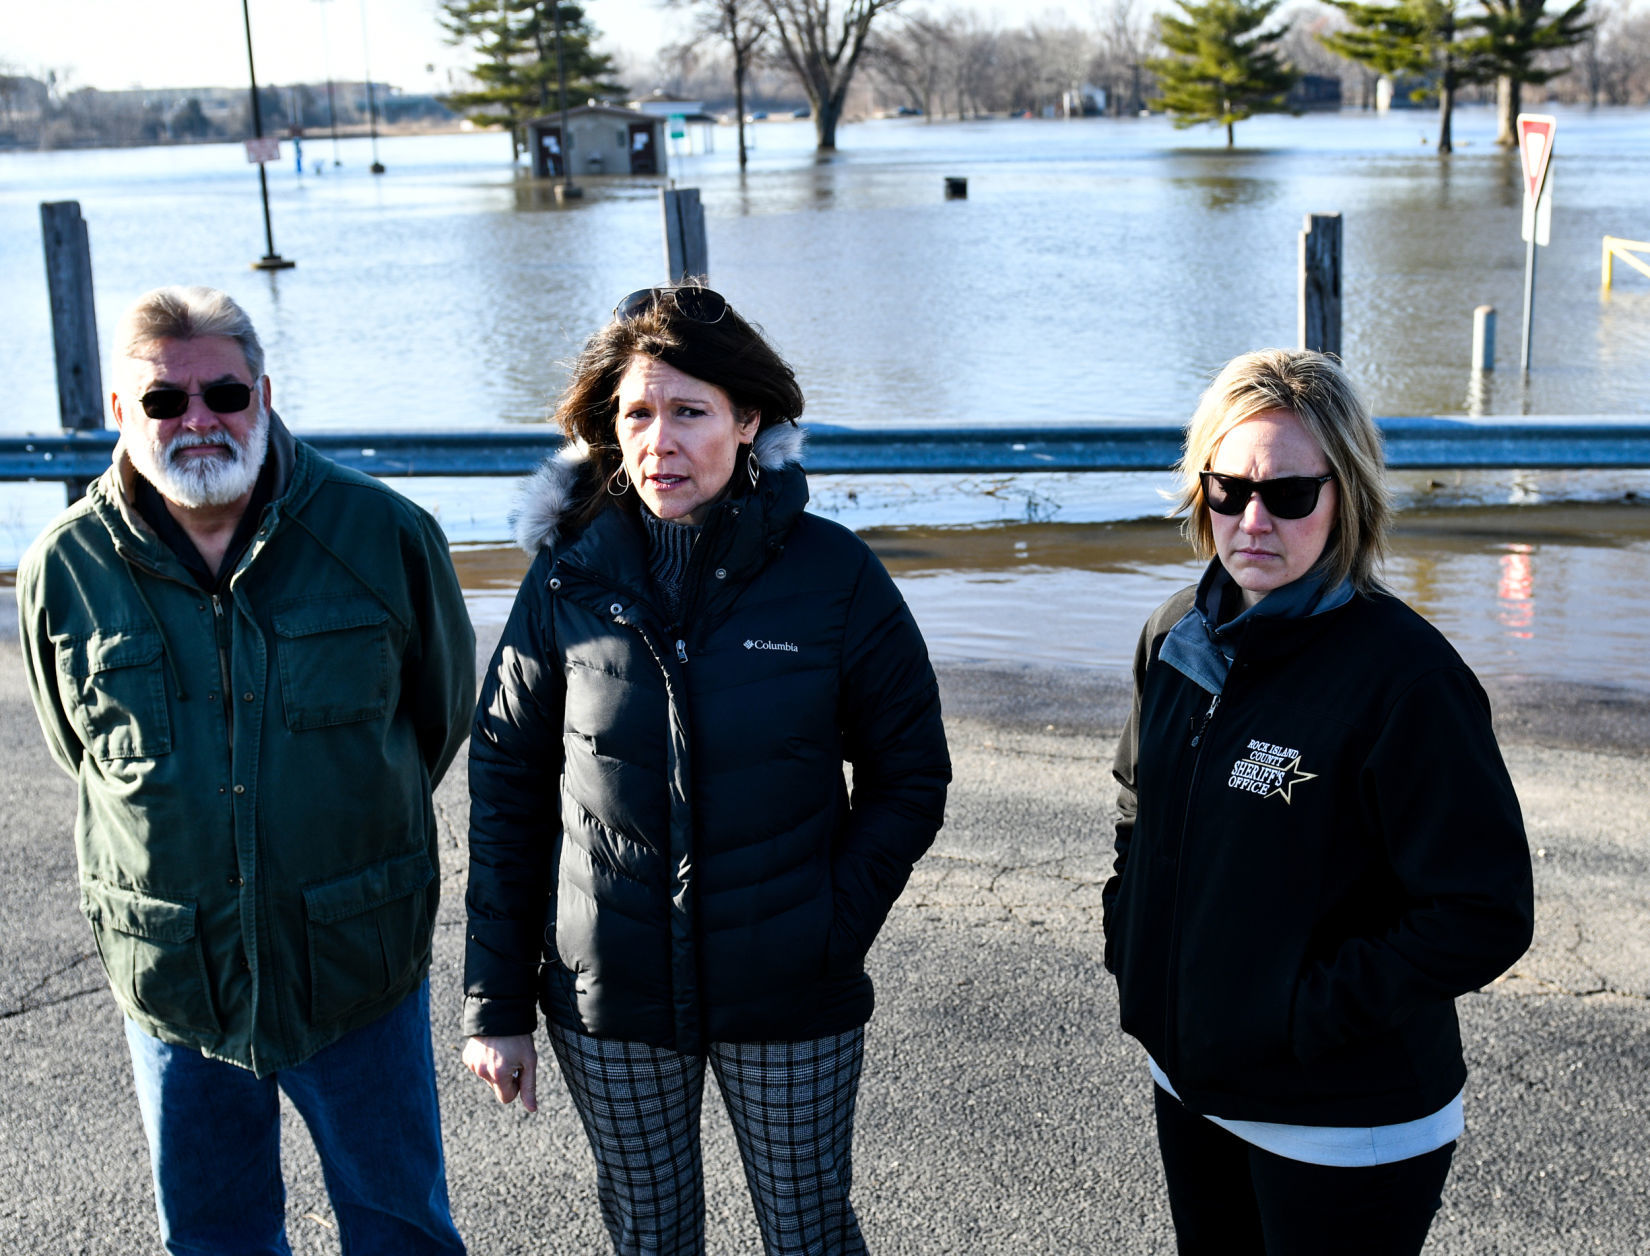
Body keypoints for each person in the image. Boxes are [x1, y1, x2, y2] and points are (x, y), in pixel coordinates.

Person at [461, 284, 951, 1255]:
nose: (660, 442)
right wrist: (497, 1001)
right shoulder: (565, 578)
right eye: (637, 413)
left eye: (690, 411)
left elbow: (911, 773)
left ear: (749, 418)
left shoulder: (833, 575)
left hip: (789, 989)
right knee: (650, 1233)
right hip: (611, 993)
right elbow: (507, 787)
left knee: (810, 1230)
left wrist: (829, 921)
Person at [17, 285, 474, 1255]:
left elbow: (437, 719)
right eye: (161, 401)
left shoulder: (382, 537)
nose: (196, 420)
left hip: (355, 965)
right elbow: (78, 748)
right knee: (215, 1238)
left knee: (401, 1230)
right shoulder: (65, 566)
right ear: (118, 414)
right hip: (179, 978)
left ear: (263, 392)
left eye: (223, 393)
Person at [1104, 349, 1534, 1256]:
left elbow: (1483, 912)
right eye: (1229, 489)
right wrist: (1133, 942)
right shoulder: (1176, 635)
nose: (1254, 521)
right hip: (1191, 1083)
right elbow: (1139, 810)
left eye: (1290, 495)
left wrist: (1297, 1014)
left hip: (1343, 1125)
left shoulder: (1406, 682)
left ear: (1346, 496)